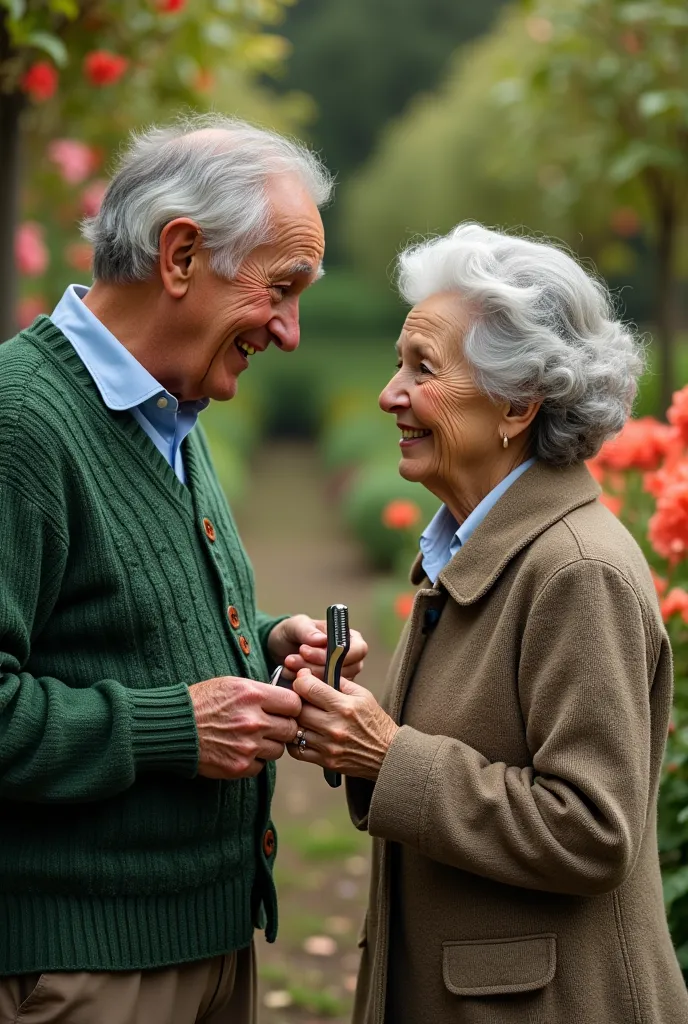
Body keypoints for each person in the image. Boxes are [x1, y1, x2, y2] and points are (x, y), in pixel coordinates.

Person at [0, 114, 368, 1024]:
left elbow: (108, 631)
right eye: (281, 290)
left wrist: (265, 647)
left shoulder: (170, 409)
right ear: (179, 257)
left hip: (202, 943)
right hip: (85, 969)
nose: (288, 332)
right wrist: (175, 727)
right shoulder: (21, 425)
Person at [288, 223, 688, 1023]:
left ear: (515, 404)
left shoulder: (576, 571)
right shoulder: (471, 546)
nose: (388, 393)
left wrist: (389, 754)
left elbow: (592, 829)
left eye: (422, 369)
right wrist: (352, 737)